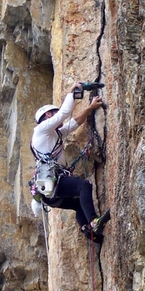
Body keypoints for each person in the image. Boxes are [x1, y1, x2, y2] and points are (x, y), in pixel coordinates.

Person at [31, 81, 111, 241]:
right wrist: (73, 92)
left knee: (76, 203)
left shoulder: (54, 134)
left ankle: (87, 230)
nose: (57, 115)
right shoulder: (41, 130)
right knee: (83, 186)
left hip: (48, 192)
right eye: (53, 112)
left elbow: (73, 123)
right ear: (48, 116)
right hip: (53, 183)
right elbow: (64, 113)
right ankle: (94, 222)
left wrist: (89, 108)